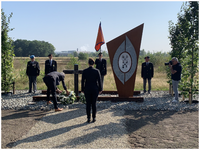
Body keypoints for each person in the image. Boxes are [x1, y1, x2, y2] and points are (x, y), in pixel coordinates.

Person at [81, 58, 102, 123]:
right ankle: (94, 117)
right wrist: (100, 89)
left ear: (88, 63)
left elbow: (82, 81)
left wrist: (82, 89)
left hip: (87, 88)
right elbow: (99, 80)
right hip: (95, 88)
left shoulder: (85, 71)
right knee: (94, 103)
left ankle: (88, 118)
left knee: (88, 104)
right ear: (94, 64)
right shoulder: (97, 71)